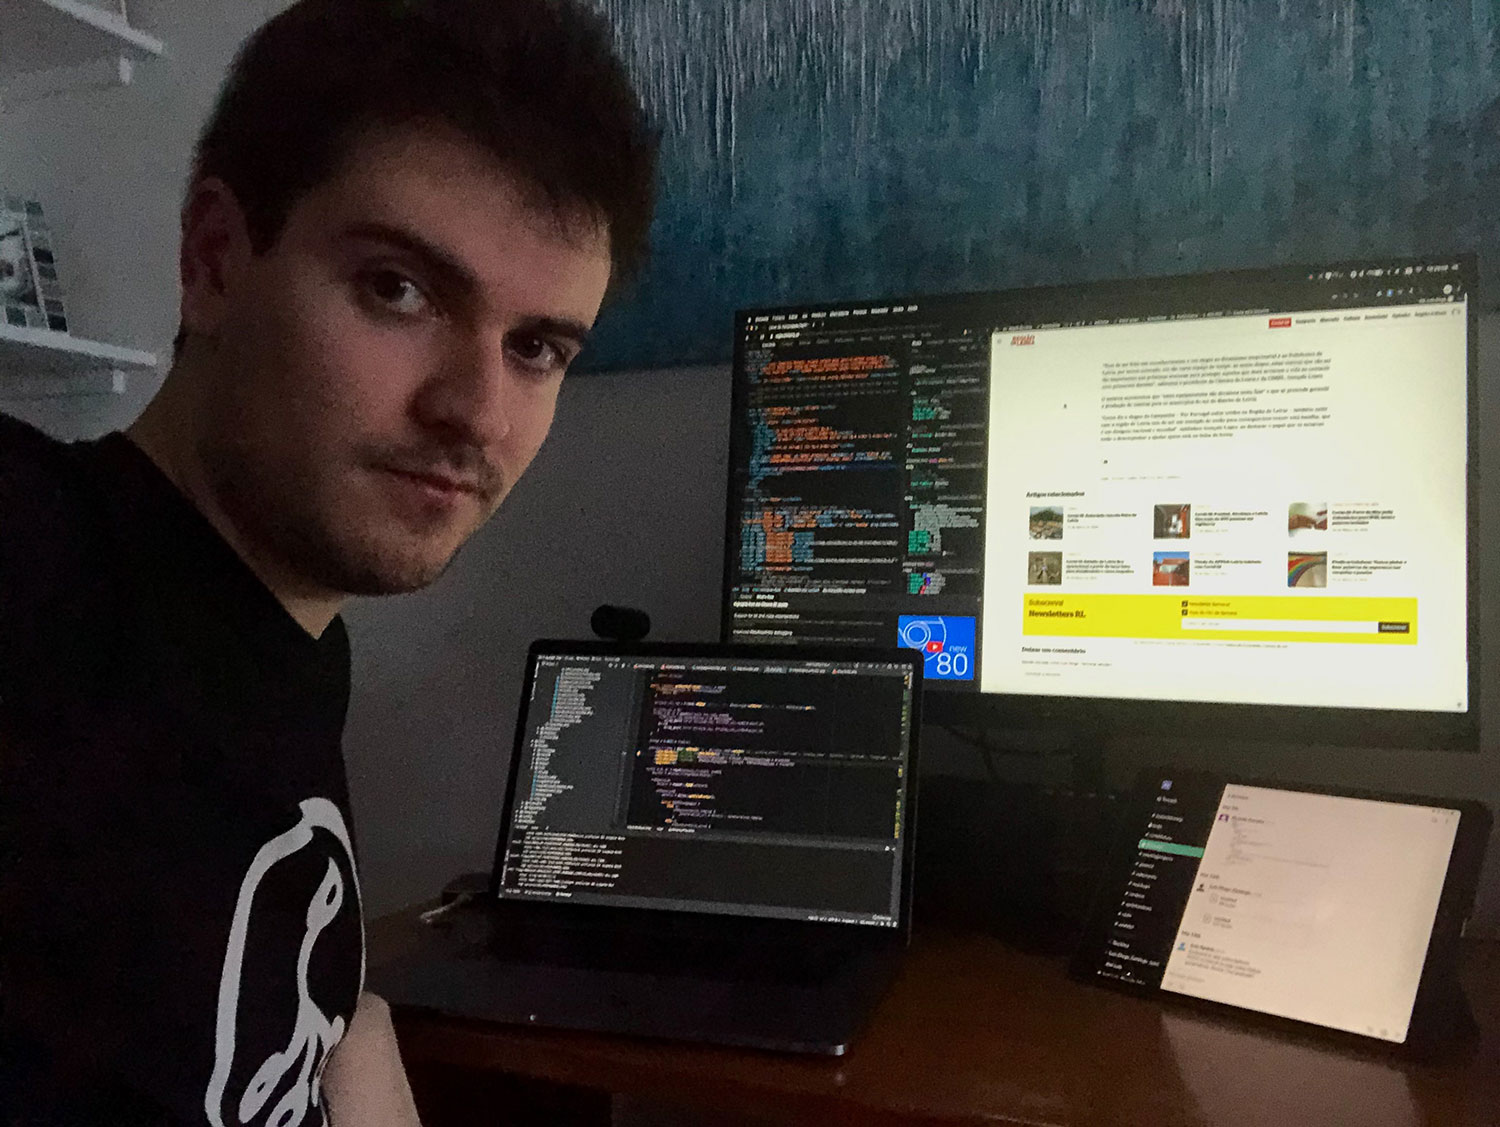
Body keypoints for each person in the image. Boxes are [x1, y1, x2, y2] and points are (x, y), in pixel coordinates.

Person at [0, 0, 659, 1121]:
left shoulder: (294, 650)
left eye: (536, 347)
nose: (477, 412)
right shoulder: (41, 561)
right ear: (214, 259)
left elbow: (314, 1017)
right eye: (398, 288)